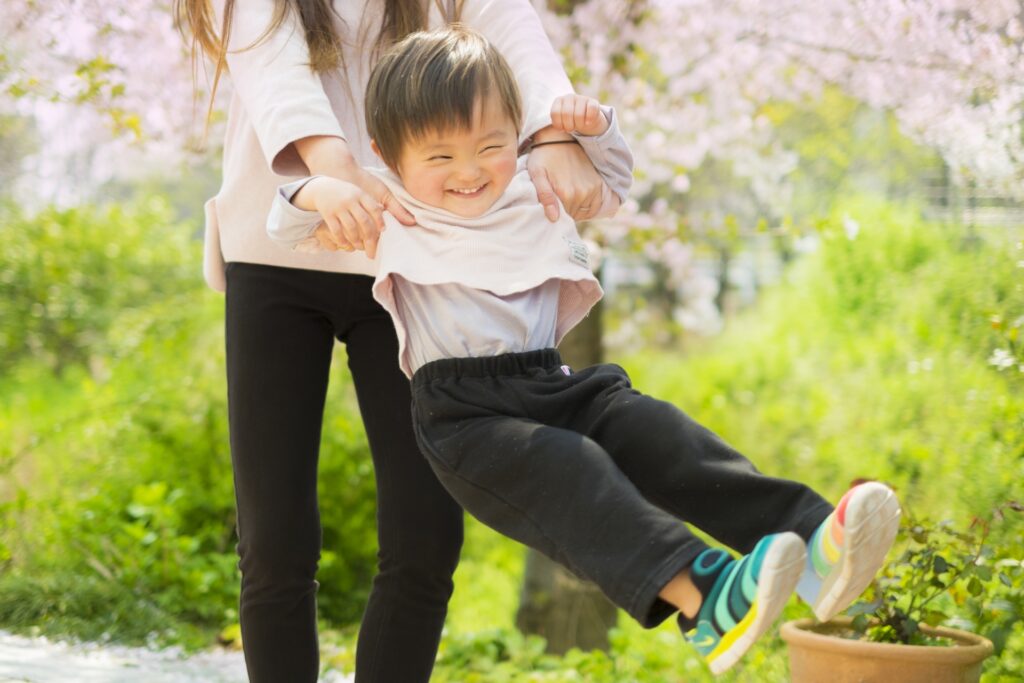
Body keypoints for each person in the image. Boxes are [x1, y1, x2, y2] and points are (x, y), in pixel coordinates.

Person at [268, 26, 904, 675]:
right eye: (441, 158)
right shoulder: (388, 202)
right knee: (572, 467)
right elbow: (286, 222)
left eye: (490, 145)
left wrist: (591, 129)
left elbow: (611, 184)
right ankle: (704, 597)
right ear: (388, 154)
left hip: (551, 380)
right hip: (465, 417)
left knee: (652, 429)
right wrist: (324, 188)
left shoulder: (531, 183)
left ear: (516, 131)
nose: (468, 172)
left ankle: (812, 537)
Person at [175, 1, 615, 681]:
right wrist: (337, 178)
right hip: (281, 245)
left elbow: (510, 31)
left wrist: (555, 132)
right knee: (273, 542)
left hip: (414, 256)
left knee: (427, 536)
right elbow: (277, 73)